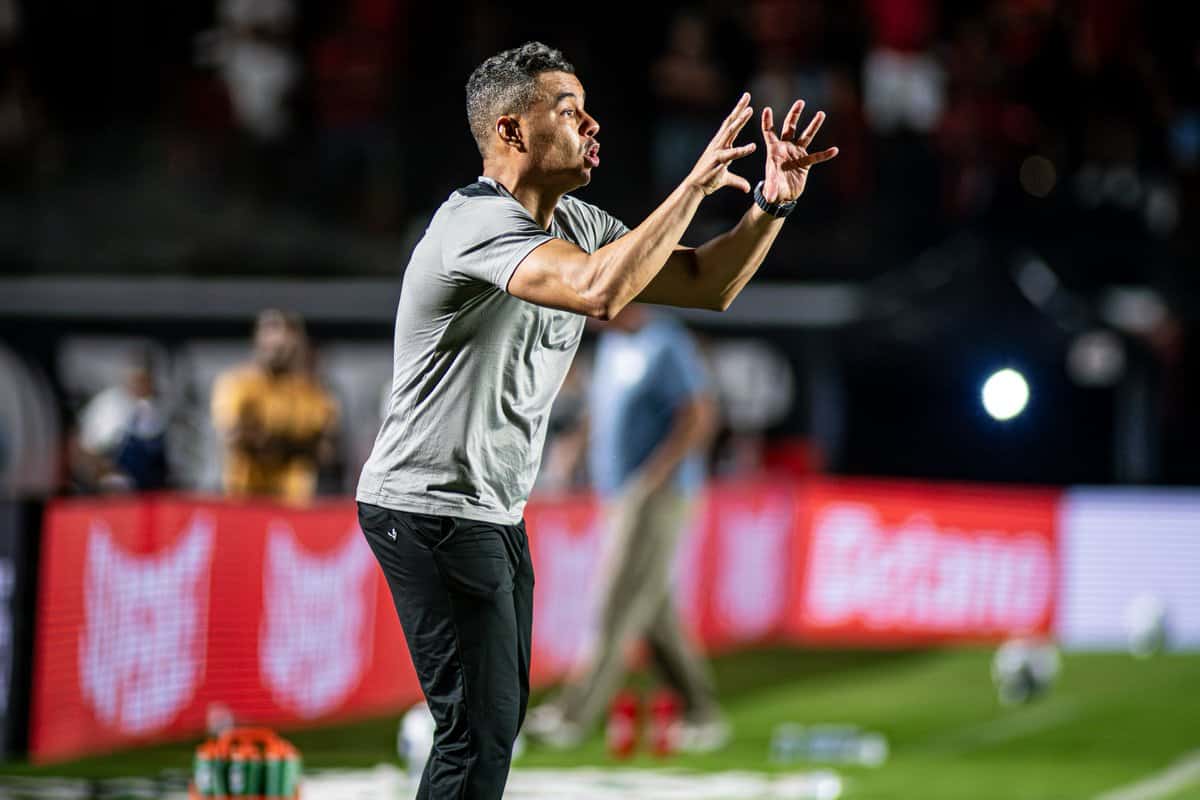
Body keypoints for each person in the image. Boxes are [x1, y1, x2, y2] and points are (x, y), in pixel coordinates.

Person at [355, 41, 837, 800]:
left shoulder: (576, 219)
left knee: (493, 728)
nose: (592, 124)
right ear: (511, 131)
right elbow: (602, 293)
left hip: (489, 510)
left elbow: (707, 282)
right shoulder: (472, 222)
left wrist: (770, 204)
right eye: (567, 110)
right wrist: (692, 185)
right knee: (475, 735)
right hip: (428, 507)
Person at [526, 304, 724, 751]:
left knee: (616, 599)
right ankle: (700, 711)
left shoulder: (666, 342)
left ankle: (572, 715)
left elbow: (699, 414)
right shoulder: (616, 344)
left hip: (656, 496)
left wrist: (654, 476)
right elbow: (606, 408)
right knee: (651, 607)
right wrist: (577, 445)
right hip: (617, 495)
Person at [211, 309, 339, 504]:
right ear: (257, 339)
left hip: (294, 502)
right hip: (243, 497)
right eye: (270, 335)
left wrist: (269, 437)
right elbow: (233, 435)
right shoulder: (237, 383)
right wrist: (295, 441)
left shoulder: (313, 393)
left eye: (285, 338)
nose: (277, 345)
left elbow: (326, 450)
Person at [73, 348, 170, 492]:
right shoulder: (109, 405)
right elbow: (87, 451)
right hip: (114, 495)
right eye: (137, 378)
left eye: (146, 378)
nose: (142, 384)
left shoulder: (162, 407)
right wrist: (107, 475)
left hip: (153, 494)